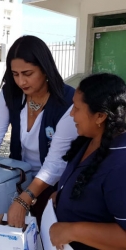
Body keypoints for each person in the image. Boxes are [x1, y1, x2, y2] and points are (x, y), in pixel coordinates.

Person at [0, 35, 78, 227]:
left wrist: (25, 199)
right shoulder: (11, 93)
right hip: (19, 178)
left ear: (45, 69)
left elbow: (55, 163)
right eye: (15, 74)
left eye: (27, 73)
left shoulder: (67, 102)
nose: (21, 81)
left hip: (54, 186)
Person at [49, 73, 126, 250]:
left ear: (100, 116)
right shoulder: (89, 139)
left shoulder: (120, 164)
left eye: (76, 108)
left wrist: (73, 231)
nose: (71, 114)